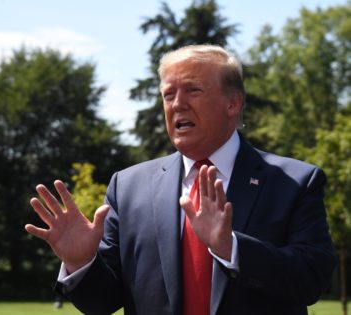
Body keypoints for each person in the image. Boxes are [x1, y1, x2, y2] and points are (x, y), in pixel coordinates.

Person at [25, 44, 336, 315]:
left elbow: (312, 279)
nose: (177, 104)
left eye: (193, 90)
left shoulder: (295, 181)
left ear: (233, 103)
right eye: (168, 95)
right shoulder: (128, 187)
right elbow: (102, 302)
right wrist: (82, 263)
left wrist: (232, 248)